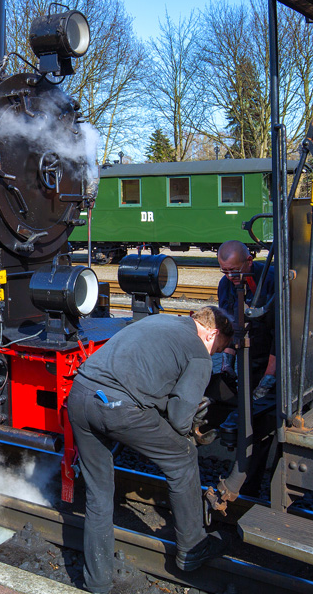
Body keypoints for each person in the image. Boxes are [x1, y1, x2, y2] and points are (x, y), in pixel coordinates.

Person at [66, 309, 231, 593]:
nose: (216, 354)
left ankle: (97, 582)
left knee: (99, 495)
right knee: (183, 457)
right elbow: (180, 421)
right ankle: (192, 548)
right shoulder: (198, 352)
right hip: (116, 407)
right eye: (219, 348)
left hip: (81, 394)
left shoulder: (160, 319)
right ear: (212, 333)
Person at [215, 240, 276, 400]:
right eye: (225, 271)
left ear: (249, 261)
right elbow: (228, 324)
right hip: (249, 356)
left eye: (234, 271)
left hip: (273, 354)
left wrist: (269, 376)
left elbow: (280, 334)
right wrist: (227, 361)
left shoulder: (271, 280)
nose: (230, 276)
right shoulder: (225, 284)